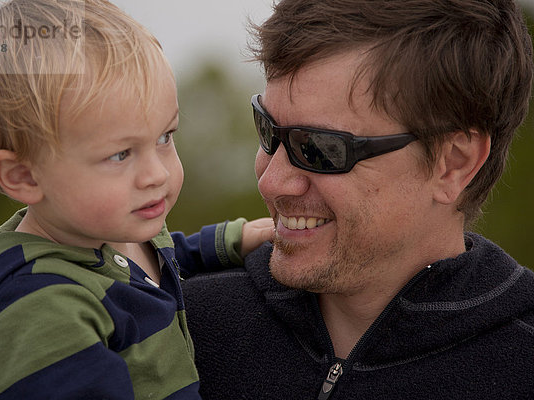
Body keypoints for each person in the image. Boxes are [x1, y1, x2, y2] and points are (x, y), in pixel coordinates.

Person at [182, 0, 534, 398]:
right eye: (268, 129)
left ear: (454, 163)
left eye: (319, 147)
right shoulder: (169, 327)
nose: (273, 182)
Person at [0, 0, 272, 398]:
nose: (157, 174)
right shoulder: (38, 310)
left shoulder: (109, 230)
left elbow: (162, 259)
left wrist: (233, 239)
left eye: (165, 137)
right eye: (120, 154)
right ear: (23, 176)